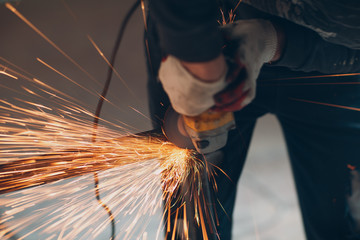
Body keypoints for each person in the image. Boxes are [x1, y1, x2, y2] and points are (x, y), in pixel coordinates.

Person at [145, 0, 360, 239]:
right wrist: (198, 62)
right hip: (209, 29)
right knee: (194, 224)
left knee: (342, 223)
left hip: (338, 70)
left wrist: (269, 41)